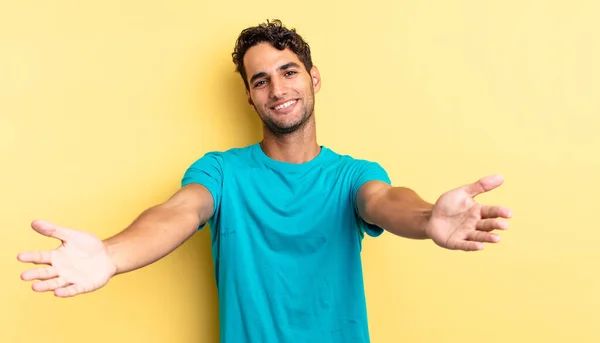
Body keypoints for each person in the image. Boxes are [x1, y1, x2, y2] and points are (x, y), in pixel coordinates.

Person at [17, 19, 513, 343]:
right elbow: (177, 212)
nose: (278, 89)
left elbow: (384, 201)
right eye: (260, 80)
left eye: (288, 71)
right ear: (249, 97)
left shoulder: (351, 175)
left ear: (313, 78)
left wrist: (429, 221)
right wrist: (110, 254)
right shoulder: (221, 172)